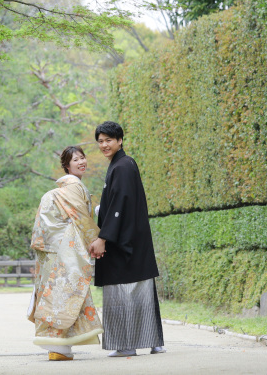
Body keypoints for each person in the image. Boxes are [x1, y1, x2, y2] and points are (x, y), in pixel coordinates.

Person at [89, 121, 165, 357]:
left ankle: (126, 345)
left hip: (123, 241)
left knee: (121, 293)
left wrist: (103, 237)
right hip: (133, 238)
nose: (104, 145)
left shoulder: (121, 166)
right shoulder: (123, 163)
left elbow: (118, 206)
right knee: (140, 290)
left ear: (120, 140)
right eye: (100, 141)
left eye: (108, 140)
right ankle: (154, 342)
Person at [28, 146, 103, 361]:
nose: (81, 162)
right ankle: (60, 347)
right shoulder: (73, 186)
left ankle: (59, 347)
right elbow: (81, 219)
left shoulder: (65, 187)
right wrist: (97, 241)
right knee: (68, 292)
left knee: (56, 293)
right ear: (66, 166)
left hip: (53, 249)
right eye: (75, 160)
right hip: (64, 249)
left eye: (82, 158)